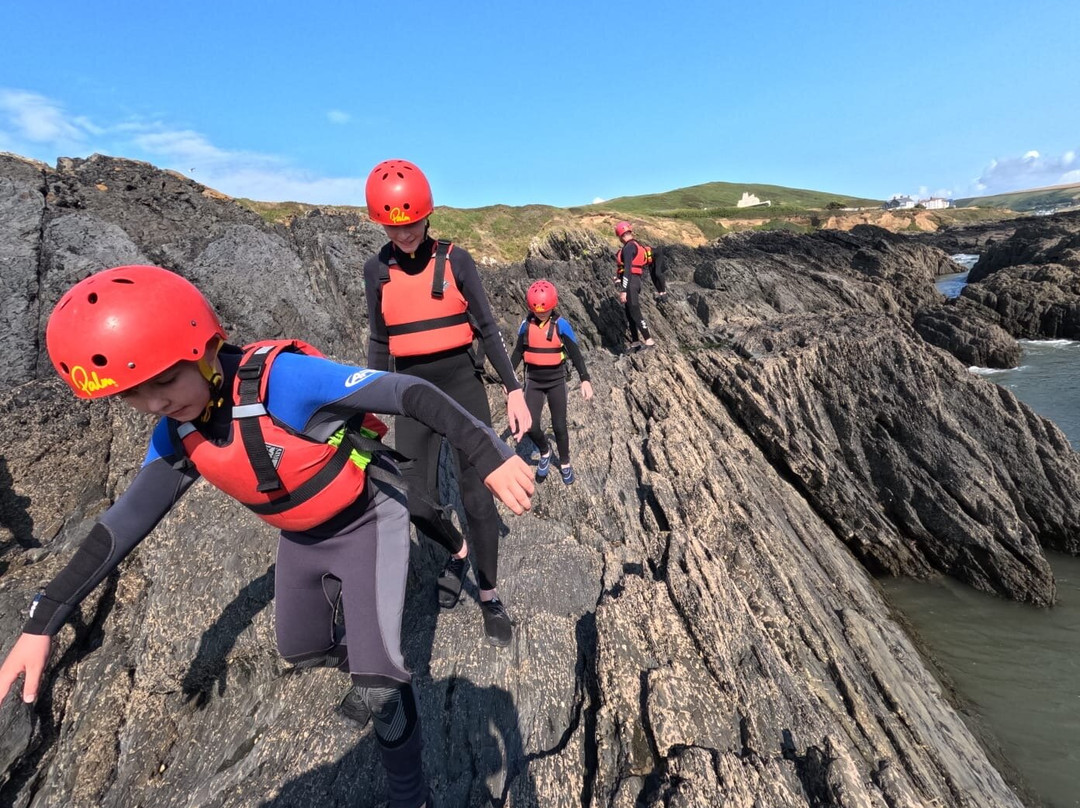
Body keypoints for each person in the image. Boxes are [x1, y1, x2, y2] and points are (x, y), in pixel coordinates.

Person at [0, 265, 535, 808]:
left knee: (379, 686)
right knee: (301, 648)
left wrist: (488, 455)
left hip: (368, 517)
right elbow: (122, 526)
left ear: (203, 345)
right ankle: (369, 653)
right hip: (301, 536)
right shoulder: (179, 432)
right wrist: (43, 622)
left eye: (163, 380)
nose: (156, 403)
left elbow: (410, 391)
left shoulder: (281, 380)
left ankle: (408, 789)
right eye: (132, 395)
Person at [362, 159, 531, 648]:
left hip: (461, 384)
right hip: (410, 391)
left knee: (477, 497)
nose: (406, 234)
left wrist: (513, 388)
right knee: (411, 498)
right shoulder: (376, 270)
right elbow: (378, 341)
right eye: (395, 226)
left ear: (427, 216)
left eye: (412, 223)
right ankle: (456, 552)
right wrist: (372, 401)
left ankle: (490, 592)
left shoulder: (456, 261)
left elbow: (487, 328)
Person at [509, 280, 593, 485]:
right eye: (537, 311)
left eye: (545, 311)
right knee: (530, 425)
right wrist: (508, 379)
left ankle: (564, 463)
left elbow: (575, 353)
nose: (541, 314)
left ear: (553, 305)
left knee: (559, 425)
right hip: (534, 381)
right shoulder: (525, 326)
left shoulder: (561, 325)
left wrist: (585, 379)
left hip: (556, 380)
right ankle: (545, 451)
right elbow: (518, 353)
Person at [614, 220, 664, 350]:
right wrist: (620, 280)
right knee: (629, 313)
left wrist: (624, 289)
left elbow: (628, 269)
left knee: (635, 312)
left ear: (620, 235)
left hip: (631, 283)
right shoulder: (636, 245)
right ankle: (635, 342)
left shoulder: (628, 247)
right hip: (635, 281)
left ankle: (648, 340)